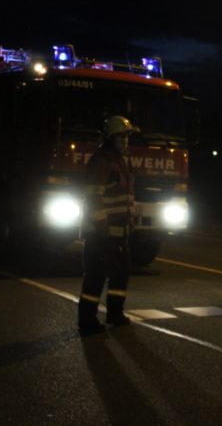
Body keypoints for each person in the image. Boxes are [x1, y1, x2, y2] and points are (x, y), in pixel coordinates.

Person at [78, 115, 139, 336]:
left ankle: (115, 313)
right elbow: (93, 198)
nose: (126, 141)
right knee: (95, 278)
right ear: (110, 138)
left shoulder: (121, 160)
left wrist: (131, 220)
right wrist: (103, 229)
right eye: (121, 136)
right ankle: (87, 321)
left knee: (121, 275)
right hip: (101, 234)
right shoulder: (101, 161)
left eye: (127, 137)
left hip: (119, 233)